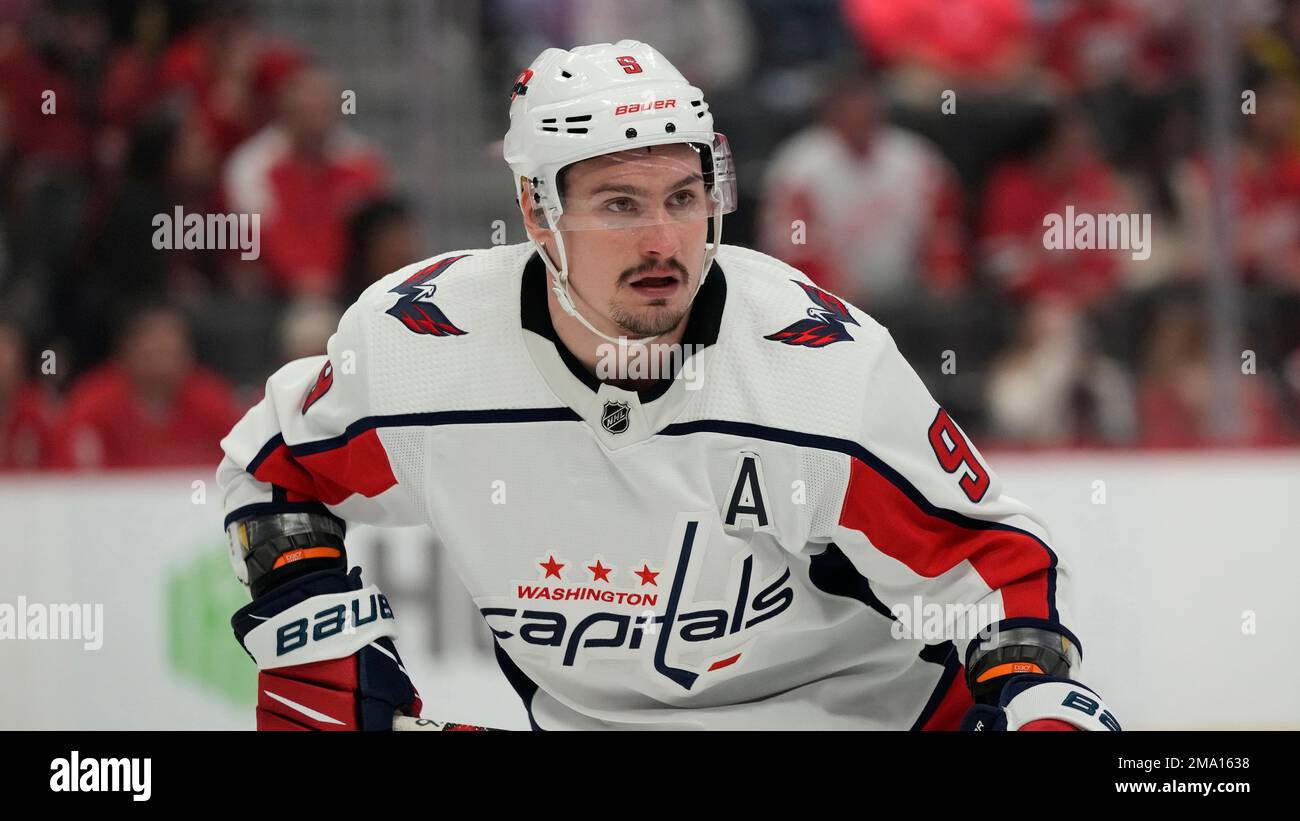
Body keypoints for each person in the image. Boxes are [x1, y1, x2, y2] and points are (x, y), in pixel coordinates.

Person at [217, 41, 1116, 731]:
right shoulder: (424, 343)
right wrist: (315, 636)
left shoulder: (815, 371)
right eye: (620, 204)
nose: (664, 241)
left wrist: (1035, 692)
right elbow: (277, 468)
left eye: (684, 198)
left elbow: (994, 567)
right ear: (536, 210)